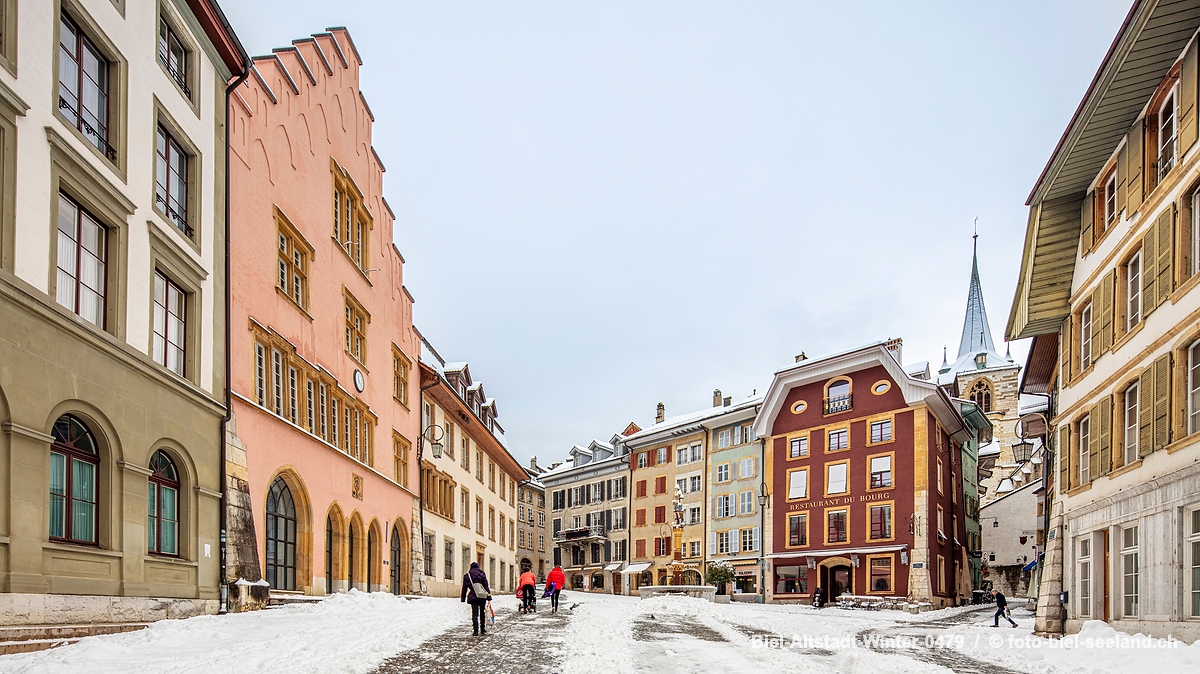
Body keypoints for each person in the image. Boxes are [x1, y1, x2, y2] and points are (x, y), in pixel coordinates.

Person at [461, 561, 492, 636]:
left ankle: (475, 631)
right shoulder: (482, 574)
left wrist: (463, 598)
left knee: (474, 614)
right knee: (482, 613)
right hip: (482, 596)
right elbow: (486, 586)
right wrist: (489, 596)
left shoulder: (467, 576)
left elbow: (464, 588)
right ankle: (483, 630)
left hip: (473, 596)